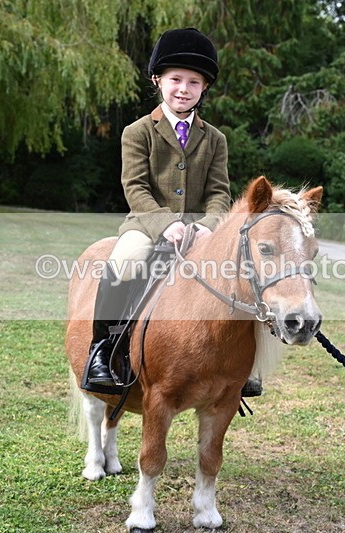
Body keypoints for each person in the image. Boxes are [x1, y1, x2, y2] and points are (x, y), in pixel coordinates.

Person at [85, 27, 263, 397]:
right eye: (176, 79)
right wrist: (165, 224)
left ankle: (245, 364)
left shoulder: (215, 139)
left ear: (204, 88)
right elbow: (135, 187)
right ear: (158, 80)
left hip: (201, 230)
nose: (183, 88)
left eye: (193, 82)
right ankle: (102, 351)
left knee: (242, 271)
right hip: (147, 224)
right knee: (124, 262)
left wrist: (209, 227)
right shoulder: (137, 132)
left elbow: (219, 192)